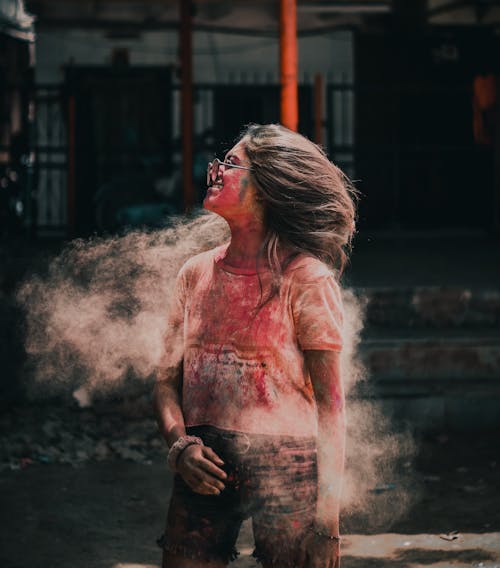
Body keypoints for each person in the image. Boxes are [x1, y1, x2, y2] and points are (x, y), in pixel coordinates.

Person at [154, 123, 357, 568]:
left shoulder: (307, 279)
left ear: (266, 186)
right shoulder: (194, 273)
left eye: (230, 163)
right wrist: (180, 447)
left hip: (290, 468)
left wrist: (328, 527)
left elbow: (332, 408)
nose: (214, 169)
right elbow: (165, 381)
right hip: (202, 463)